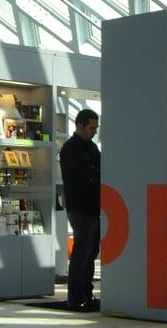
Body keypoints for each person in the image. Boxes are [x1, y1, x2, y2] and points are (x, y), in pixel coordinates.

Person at [60, 109, 100, 312]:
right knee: (82, 253)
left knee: (90, 252)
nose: (94, 132)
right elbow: (87, 175)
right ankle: (76, 297)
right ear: (80, 126)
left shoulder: (91, 147)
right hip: (80, 207)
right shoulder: (70, 149)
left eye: (96, 128)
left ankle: (85, 293)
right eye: (92, 128)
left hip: (92, 207)